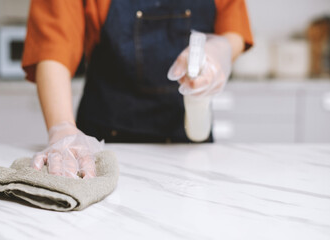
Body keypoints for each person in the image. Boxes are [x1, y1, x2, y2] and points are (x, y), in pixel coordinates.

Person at [22, 0, 253, 179]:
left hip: (190, 146)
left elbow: (233, 27)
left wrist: (221, 49)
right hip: (101, 146)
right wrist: (62, 127)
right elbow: (53, 46)